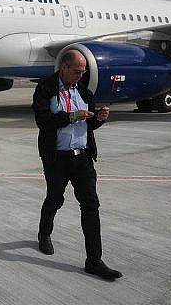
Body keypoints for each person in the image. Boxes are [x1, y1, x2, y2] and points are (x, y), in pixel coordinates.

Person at [32, 49, 122, 281]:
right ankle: (44, 233)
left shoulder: (84, 91)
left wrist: (97, 119)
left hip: (82, 157)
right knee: (55, 198)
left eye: (83, 71)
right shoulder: (46, 88)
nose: (81, 75)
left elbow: (88, 125)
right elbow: (43, 121)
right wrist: (72, 116)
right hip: (57, 158)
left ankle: (94, 261)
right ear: (64, 67)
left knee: (91, 205)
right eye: (77, 71)